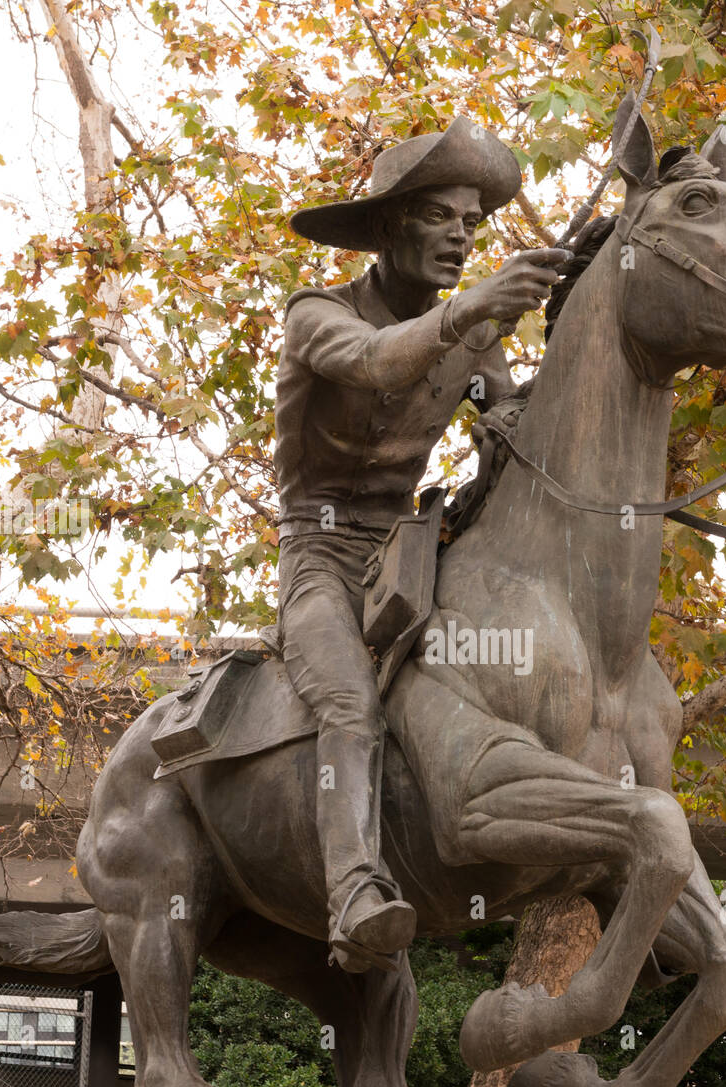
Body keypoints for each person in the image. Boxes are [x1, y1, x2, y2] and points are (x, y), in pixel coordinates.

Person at [276, 115, 570, 971]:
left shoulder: (477, 339)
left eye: (472, 223)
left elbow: (509, 420)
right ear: (384, 227)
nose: (461, 235)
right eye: (441, 215)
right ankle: (355, 890)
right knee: (348, 704)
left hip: (411, 554)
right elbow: (375, 362)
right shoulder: (317, 314)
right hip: (322, 554)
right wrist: (470, 310)